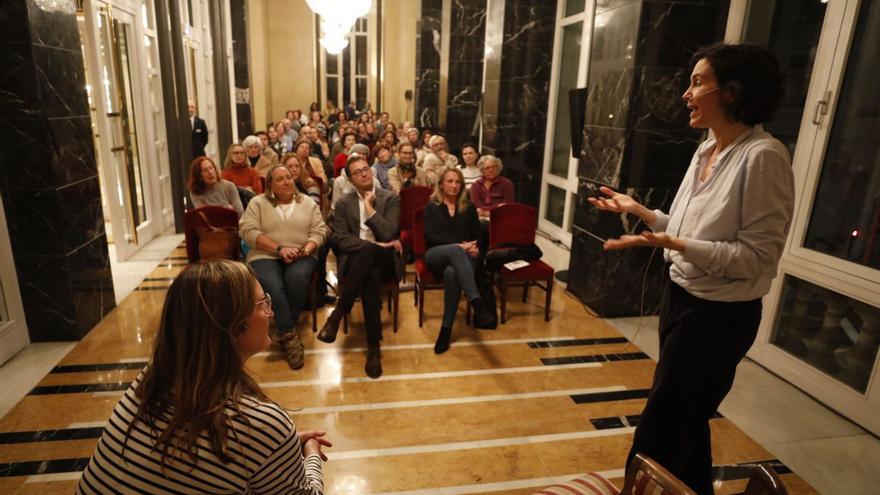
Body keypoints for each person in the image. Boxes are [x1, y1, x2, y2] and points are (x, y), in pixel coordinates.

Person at [588, 43, 794, 495]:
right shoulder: (706, 150)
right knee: (688, 420)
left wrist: (674, 241)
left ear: (733, 93)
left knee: (659, 432)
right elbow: (682, 229)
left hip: (718, 318)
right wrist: (643, 212)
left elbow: (757, 258)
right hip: (680, 298)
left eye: (698, 82)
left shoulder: (763, 157)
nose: (686, 93)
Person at [76, 261, 330, 495]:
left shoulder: (152, 378)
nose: (270, 313)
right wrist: (311, 455)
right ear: (231, 325)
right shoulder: (261, 424)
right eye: (262, 303)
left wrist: (276, 451)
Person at [317, 155, 402, 379]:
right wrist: (373, 245)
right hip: (357, 259)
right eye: (358, 172)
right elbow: (341, 239)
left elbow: (389, 233)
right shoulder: (344, 203)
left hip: (386, 260)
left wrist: (369, 208)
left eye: (366, 169)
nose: (364, 173)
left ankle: (337, 315)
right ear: (350, 178)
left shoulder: (389, 198)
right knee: (370, 272)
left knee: (373, 260)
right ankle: (373, 346)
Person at [240, 164, 327, 370]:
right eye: (279, 179)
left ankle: (283, 327)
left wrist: (306, 249)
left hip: (302, 254)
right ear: (269, 184)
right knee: (271, 283)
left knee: (296, 278)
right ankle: (288, 334)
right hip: (265, 254)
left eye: (288, 177)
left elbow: (319, 231)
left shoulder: (307, 202)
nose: (286, 181)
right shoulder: (258, 202)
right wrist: (279, 249)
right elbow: (248, 230)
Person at [423, 168, 496, 354]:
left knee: (452, 273)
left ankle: (445, 330)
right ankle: (476, 301)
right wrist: (460, 246)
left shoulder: (469, 207)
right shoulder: (432, 207)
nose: (454, 185)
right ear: (441, 184)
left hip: (463, 259)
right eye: (450, 181)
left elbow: (477, 235)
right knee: (455, 251)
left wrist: (475, 246)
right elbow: (431, 238)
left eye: (457, 182)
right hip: (436, 255)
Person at [332, 144, 381, 210]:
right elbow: (335, 207)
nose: (361, 156)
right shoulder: (339, 181)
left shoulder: (374, 180)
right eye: (358, 153)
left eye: (364, 154)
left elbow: (381, 203)